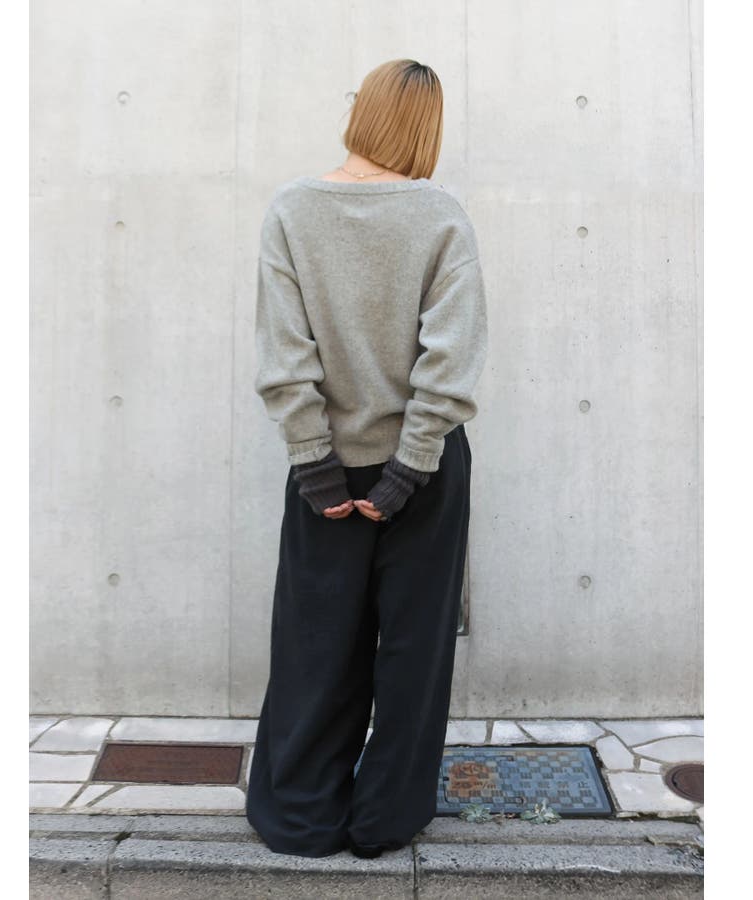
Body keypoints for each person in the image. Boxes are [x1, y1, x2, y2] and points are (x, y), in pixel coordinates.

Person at [245, 58, 489, 859]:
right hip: (423, 470)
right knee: (413, 649)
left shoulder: (292, 210)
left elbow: (285, 355)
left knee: (315, 643)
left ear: (362, 112)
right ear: (424, 128)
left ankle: (300, 816)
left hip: (328, 470)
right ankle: (384, 818)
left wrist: (316, 466)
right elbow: (449, 360)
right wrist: (409, 468)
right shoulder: (440, 216)